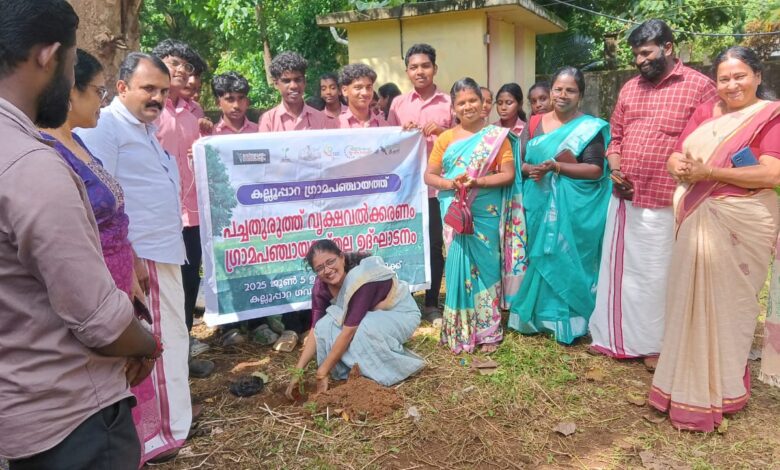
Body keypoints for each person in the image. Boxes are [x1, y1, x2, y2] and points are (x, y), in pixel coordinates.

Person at [0, 2, 158, 468]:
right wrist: (150, 342)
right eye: (73, 65)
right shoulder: (31, 166)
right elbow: (100, 323)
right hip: (71, 421)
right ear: (48, 55)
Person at [38, 48, 163, 466]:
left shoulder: (77, 141)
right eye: (97, 91)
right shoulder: (43, 152)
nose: (102, 100)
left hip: (120, 284)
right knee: (101, 402)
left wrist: (131, 272)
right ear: (68, 93)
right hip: (90, 293)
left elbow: (114, 219)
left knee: (127, 393)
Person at [649, 46, 780, 432]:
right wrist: (679, 165)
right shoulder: (706, 112)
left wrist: (709, 174)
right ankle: (679, 387)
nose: (732, 84)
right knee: (685, 302)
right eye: (724, 78)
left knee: (731, 306)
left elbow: (771, 174)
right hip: (697, 218)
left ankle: (722, 387)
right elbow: (677, 155)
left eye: (740, 76)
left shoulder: (769, 117)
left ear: (757, 76)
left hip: (741, 222)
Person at [77, 52, 193, 463]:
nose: (157, 97)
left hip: (163, 252)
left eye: (163, 91)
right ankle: (159, 435)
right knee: (155, 346)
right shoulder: (107, 127)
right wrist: (131, 259)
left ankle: (174, 425)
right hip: (142, 259)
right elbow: (101, 197)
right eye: (149, 88)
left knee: (175, 340)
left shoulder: (145, 130)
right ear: (122, 87)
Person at [588, 20, 717, 368]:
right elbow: (615, 136)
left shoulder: (700, 88)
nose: (640, 60)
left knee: (659, 275)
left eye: (646, 52)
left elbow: (710, 141)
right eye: (636, 55)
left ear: (668, 47)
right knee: (622, 273)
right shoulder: (630, 88)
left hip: (667, 200)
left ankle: (657, 345)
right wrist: (615, 166)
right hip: (625, 198)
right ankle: (616, 336)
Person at [508, 67, 611, 345]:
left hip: (571, 206)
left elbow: (594, 169)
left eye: (570, 90)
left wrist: (557, 166)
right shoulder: (534, 122)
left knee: (561, 255)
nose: (563, 95)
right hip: (536, 199)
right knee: (538, 255)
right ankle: (535, 317)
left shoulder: (589, 127)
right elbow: (520, 161)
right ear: (550, 90)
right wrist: (533, 168)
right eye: (558, 89)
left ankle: (568, 321)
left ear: (580, 95)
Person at [424, 78, 524, 353]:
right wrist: (451, 183)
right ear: (454, 108)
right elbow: (429, 175)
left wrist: (477, 182)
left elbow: (508, 175)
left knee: (487, 266)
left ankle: (488, 331)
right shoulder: (446, 138)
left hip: (485, 211)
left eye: (473, 101)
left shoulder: (497, 138)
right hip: (455, 211)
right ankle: (460, 328)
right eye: (461, 103)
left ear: (483, 105)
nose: (468, 106)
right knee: (458, 264)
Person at [285, 240, 424, 397]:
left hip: (400, 314)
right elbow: (316, 328)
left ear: (342, 257)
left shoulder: (361, 279)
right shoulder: (320, 286)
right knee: (326, 325)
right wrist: (298, 371)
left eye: (331, 262)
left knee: (362, 329)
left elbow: (349, 331)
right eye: (320, 268)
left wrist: (322, 371)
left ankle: (381, 373)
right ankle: (352, 371)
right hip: (368, 317)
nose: (327, 270)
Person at [151, 39, 215, 379]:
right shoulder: (150, 111)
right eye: (176, 65)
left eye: (188, 69)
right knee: (161, 289)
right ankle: (159, 360)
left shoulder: (195, 113)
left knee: (189, 284)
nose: (183, 75)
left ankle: (183, 352)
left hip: (191, 215)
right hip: (159, 216)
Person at [388, 44, 452, 324]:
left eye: (425, 65)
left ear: (434, 68)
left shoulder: (449, 102)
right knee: (407, 244)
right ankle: (406, 300)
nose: (420, 71)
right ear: (407, 72)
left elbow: (463, 139)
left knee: (435, 244)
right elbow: (387, 143)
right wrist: (400, 134)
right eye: (414, 67)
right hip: (407, 190)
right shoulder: (398, 105)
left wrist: (441, 132)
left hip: (437, 189)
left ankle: (431, 303)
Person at [258, 51, 332, 131]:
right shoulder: (268, 121)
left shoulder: (320, 118)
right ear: (276, 84)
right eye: (286, 81)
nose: (293, 86)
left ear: (304, 81)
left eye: (298, 80)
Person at [338, 63, 387, 128]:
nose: (365, 93)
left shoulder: (383, 125)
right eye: (358, 87)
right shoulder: (337, 125)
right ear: (345, 91)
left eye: (369, 87)